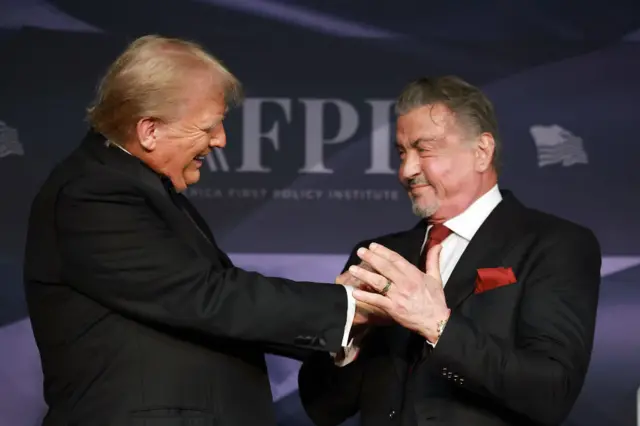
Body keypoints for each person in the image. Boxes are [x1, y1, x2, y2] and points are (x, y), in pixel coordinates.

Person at [22, 35, 372, 426]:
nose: (221, 140)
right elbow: (204, 296)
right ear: (149, 131)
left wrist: (343, 328)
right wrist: (346, 307)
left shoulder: (134, 187)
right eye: (209, 126)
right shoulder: (93, 194)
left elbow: (208, 309)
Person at [298, 76, 601, 426]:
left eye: (424, 149)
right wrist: (349, 335)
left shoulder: (555, 244)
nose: (407, 170)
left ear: (481, 151)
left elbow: (551, 393)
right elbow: (322, 408)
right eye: (401, 153)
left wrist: (437, 325)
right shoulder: (378, 257)